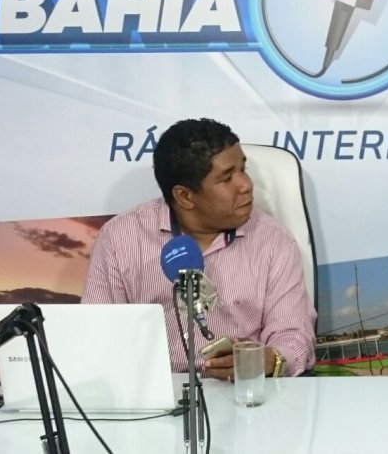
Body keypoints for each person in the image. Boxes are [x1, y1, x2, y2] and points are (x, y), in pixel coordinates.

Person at [83, 118, 317, 379]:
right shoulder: (120, 239)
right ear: (184, 196)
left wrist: (269, 359)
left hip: (243, 389)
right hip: (152, 390)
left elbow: (293, 335)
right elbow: (97, 335)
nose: (246, 185)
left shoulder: (273, 241)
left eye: (243, 169)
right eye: (227, 178)